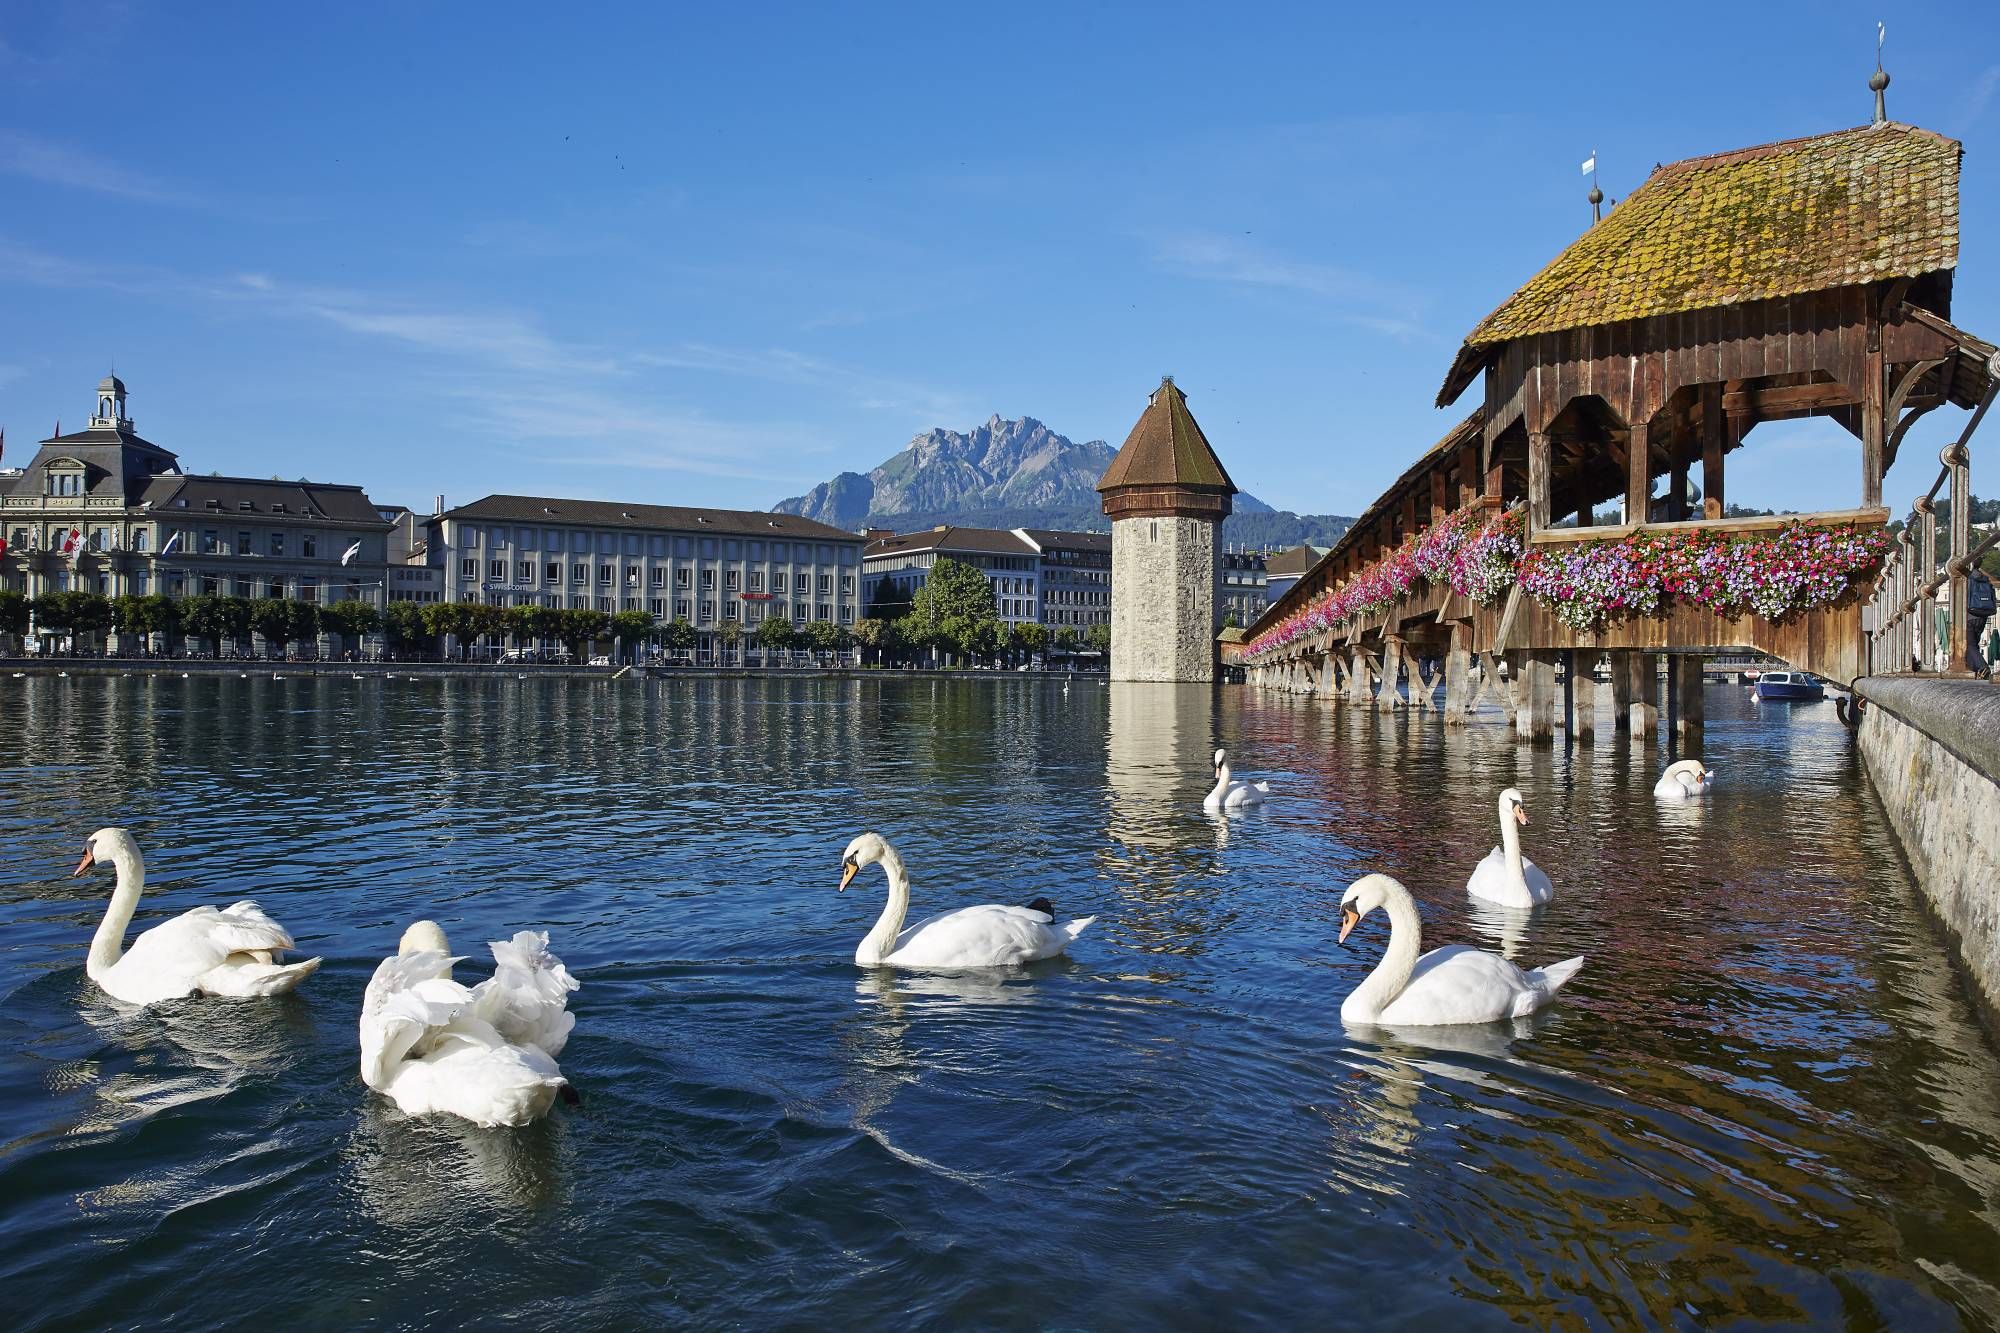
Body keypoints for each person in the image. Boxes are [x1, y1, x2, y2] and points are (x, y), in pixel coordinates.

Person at [1969, 568, 1996, 675]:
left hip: (1969, 616)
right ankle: (1974, 670)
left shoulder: (1966, 578)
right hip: (1982, 616)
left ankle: (1983, 667)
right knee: (1974, 645)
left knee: (1969, 645)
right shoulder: (1985, 579)